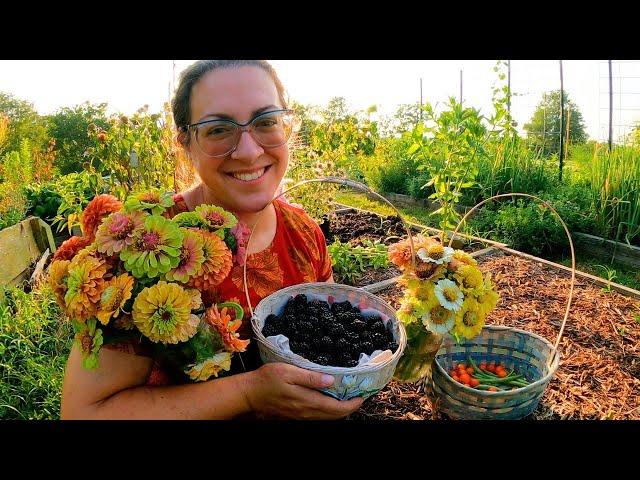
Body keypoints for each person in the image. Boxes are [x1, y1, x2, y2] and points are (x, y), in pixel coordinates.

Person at [60, 60, 364, 420]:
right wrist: (249, 393)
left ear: (287, 125)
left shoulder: (304, 234)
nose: (249, 151)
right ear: (185, 143)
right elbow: (84, 412)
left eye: (266, 121)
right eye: (219, 129)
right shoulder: (143, 249)